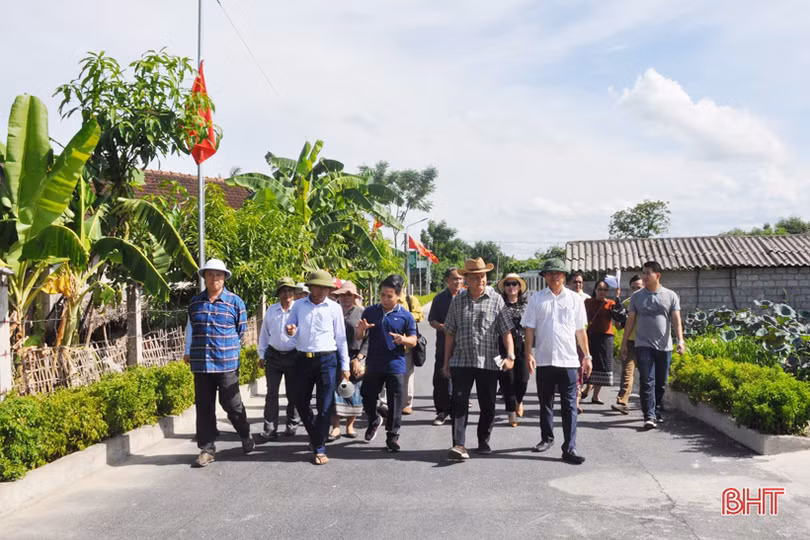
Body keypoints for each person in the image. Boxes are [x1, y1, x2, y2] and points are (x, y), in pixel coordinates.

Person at [443, 258, 516, 460]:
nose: (480, 280)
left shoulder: (496, 300)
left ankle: (483, 440)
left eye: (482, 276)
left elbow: (506, 332)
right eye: (475, 277)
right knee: (459, 403)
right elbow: (449, 332)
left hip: (488, 363)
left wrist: (510, 356)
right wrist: (445, 362)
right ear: (466, 279)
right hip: (461, 361)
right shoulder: (457, 301)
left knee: (488, 404)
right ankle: (459, 444)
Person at [183, 259, 253, 468]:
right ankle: (207, 449)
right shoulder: (195, 302)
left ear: (224, 278)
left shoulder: (235, 302)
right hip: (201, 364)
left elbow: (240, 331)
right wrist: (188, 351)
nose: (215, 278)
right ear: (204, 277)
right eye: (211, 274)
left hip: (226, 363)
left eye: (219, 275)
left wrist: (226, 348)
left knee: (232, 404)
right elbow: (191, 328)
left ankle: (245, 432)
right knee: (204, 407)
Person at [522, 258, 592, 465]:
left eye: (559, 273)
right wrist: (529, 353)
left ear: (564, 276)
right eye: (550, 273)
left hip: (569, 360)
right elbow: (529, 329)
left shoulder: (574, 300)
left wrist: (587, 356)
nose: (555, 276)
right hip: (544, 359)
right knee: (546, 402)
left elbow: (580, 331)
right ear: (544, 276)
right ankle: (547, 438)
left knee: (569, 405)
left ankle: (569, 447)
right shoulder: (536, 300)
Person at [285, 270, 350, 465]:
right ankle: (316, 436)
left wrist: (344, 365)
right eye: (319, 287)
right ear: (310, 287)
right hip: (303, 359)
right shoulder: (298, 306)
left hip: (327, 360)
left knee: (325, 406)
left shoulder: (334, 308)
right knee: (299, 401)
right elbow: (290, 330)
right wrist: (290, 331)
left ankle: (319, 447)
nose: (322, 291)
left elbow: (341, 338)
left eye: (326, 288)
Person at [621, 261, 685, 430]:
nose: (644, 276)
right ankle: (648, 415)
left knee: (661, 382)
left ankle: (655, 410)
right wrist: (624, 342)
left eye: (648, 273)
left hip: (665, 346)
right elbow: (630, 320)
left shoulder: (670, 295)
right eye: (643, 273)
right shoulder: (637, 296)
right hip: (643, 344)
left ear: (658, 275)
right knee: (646, 380)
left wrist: (681, 340)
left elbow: (676, 320)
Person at [356, 275, 418, 452]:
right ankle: (374, 418)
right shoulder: (370, 311)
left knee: (396, 402)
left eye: (389, 296)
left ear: (398, 296)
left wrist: (403, 339)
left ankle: (393, 436)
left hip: (395, 365)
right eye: (382, 295)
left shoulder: (406, 316)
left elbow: (414, 340)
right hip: (374, 364)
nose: (384, 299)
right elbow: (359, 337)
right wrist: (360, 331)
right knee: (366, 396)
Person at [255, 277, 299, 443]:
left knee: (293, 393)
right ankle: (270, 428)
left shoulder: (299, 310)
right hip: (273, 356)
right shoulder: (271, 311)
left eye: (289, 290)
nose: (286, 294)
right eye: (283, 291)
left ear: (293, 293)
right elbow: (264, 335)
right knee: (271, 393)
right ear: (278, 294)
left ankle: (292, 423)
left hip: (294, 356)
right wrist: (261, 354)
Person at [428, 267, 464, 426]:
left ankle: (457, 413)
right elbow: (432, 320)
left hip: (463, 346)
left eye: (460, 278)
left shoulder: (468, 298)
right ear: (447, 280)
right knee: (441, 378)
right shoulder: (439, 299)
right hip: (443, 345)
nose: (458, 281)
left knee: (461, 380)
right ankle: (442, 412)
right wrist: (445, 328)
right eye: (454, 278)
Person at [329, 281, 365, 440]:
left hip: (354, 357)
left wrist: (359, 358)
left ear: (355, 296)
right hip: (333, 356)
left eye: (349, 294)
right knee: (333, 393)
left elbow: (368, 341)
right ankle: (335, 427)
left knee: (353, 392)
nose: (345, 298)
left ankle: (350, 426)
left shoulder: (361, 313)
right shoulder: (331, 310)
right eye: (343, 294)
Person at [496, 273, 530, 427]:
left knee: (523, 379)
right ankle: (511, 412)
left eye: (514, 284)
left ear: (519, 288)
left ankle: (519, 400)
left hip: (522, 345)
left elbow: (531, 327)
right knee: (507, 381)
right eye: (508, 284)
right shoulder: (499, 305)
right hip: (503, 346)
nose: (511, 287)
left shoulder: (526, 306)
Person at [581, 280, 616, 406]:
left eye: (605, 290)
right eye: (600, 289)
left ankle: (595, 395)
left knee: (602, 366)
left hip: (605, 337)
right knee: (587, 364)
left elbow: (618, 321)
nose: (602, 292)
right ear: (595, 290)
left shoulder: (611, 303)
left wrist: (618, 310)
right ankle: (583, 390)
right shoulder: (587, 302)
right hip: (590, 336)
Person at [612, 275, 643, 414]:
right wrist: (616, 315)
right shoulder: (626, 303)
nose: (636, 290)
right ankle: (623, 402)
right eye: (633, 288)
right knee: (627, 373)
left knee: (647, 375)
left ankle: (652, 402)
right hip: (630, 342)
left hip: (646, 343)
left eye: (639, 287)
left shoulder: (649, 301)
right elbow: (619, 326)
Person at [399, 289, 424, 415]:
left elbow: (420, 315)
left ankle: (406, 403)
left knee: (407, 374)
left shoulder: (410, 300)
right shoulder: (385, 300)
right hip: (389, 344)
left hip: (408, 343)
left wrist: (403, 315)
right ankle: (385, 403)